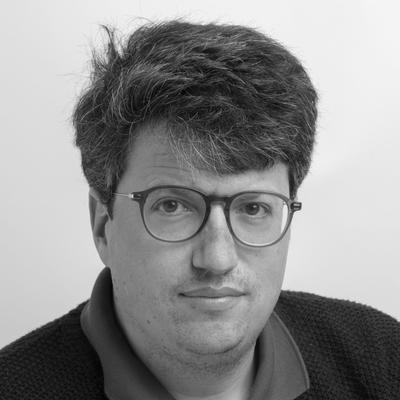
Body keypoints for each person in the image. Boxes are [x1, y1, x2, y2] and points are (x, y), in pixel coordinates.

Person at [0, 19, 399, 400]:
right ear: (103, 225)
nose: (217, 259)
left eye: (254, 208)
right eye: (172, 206)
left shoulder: (382, 362)